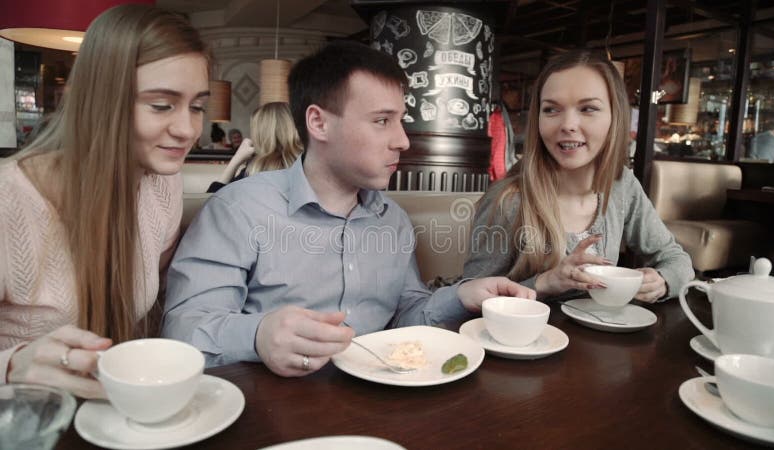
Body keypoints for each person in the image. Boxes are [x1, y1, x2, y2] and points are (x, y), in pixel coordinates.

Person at [163, 41, 535, 377]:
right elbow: (183, 329)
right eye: (382, 121)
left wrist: (462, 296)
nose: (402, 140)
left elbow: (407, 312)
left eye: (400, 120)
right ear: (319, 122)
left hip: (384, 398)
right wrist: (259, 335)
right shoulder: (238, 209)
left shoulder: (393, 220)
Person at [0, 4, 209, 398]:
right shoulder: (8, 199)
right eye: (161, 105)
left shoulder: (164, 186)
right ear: (100, 99)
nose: (187, 129)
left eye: (197, 106)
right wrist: (14, 363)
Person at [464, 50, 693, 303]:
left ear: (615, 118)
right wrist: (545, 283)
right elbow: (469, 297)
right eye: (551, 110)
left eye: (588, 108)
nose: (568, 124)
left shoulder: (622, 186)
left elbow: (676, 259)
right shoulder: (508, 200)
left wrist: (662, 281)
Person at [206, 102, 303, 193]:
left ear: (260, 134)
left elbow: (211, 201)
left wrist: (236, 159)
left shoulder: (254, 169)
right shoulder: (308, 165)